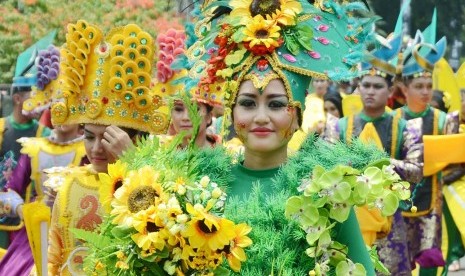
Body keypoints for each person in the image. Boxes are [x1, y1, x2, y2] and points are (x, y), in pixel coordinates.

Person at [179, 0, 401, 274]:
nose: (261, 117)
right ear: (231, 113)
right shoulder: (202, 189)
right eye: (248, 104)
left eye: (275, 105)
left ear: (298, 115)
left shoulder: (324, 192)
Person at [45, 21, 165, 275]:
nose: (96, 148)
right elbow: (54, 257)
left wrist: (133, 164)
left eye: (109, 137)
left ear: (132, 139)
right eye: (89, 136)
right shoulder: (70, 185)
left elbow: (163, 245)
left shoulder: (157, 183)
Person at [327, 34, 423, 275]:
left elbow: (417, 169)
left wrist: (383, 164)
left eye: (377, 86)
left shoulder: (405, 127)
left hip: (390, 220)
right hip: (348, 219)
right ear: (358, 87)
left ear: (390, 89)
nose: (370, 91)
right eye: (365, 85)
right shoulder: (337, 126)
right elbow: (324, 167)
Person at [393, 14, 458, 275]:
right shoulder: (394, 119)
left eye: (429, 85)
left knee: (430, 259)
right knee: (399, 262)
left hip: (432, 199)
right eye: (419, 86)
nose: (425, 91)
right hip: (397, 201)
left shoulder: (444, 120)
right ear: (404, 88)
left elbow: (455, 158)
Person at [153, 28, 222, 149]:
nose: (185, 117)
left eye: (195, 108)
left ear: (209, 117)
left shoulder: (230, 156)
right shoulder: (158, 154)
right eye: (178, 109)